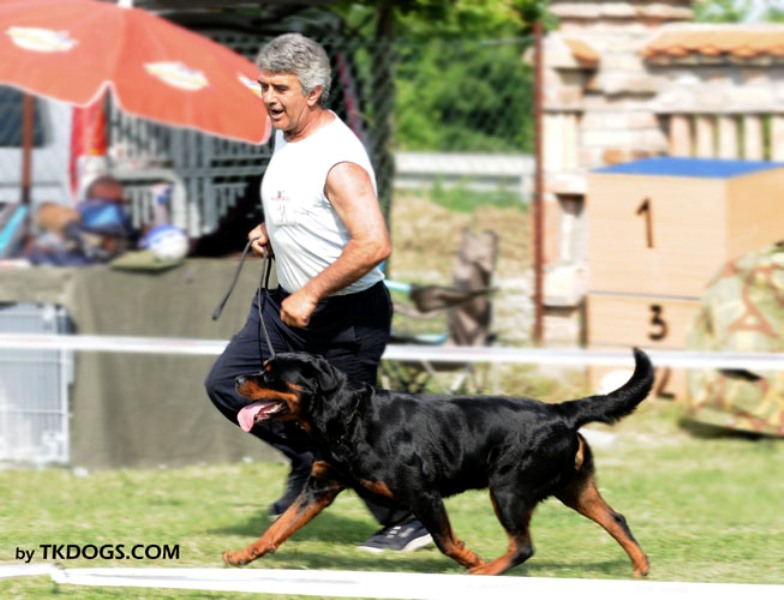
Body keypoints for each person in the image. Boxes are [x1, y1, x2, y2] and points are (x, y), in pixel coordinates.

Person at [205, 33, 432, 553]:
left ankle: (410, 518)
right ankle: (310, 463)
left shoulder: (339, 159)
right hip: (285, 307)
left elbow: (374, 242)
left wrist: (310, 293)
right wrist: (275, 227)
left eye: (279, 87)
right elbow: (305, 201)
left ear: (314, 92)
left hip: (344, 315)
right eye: (262, 85)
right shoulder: (289, 133)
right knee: (227, 385)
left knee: (354, 436)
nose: (267, 97)